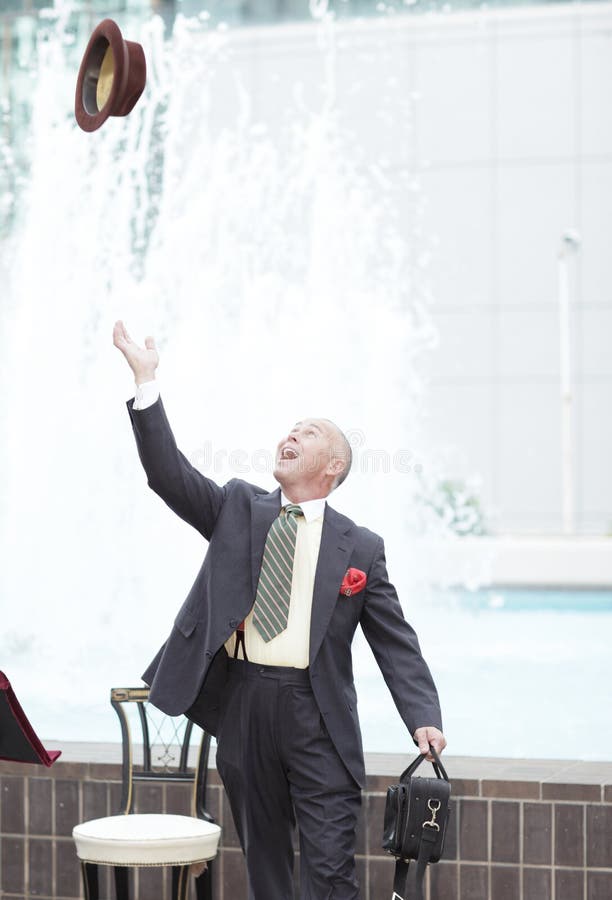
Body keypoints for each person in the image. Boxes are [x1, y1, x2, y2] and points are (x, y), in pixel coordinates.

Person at [113, 319, 447, 900]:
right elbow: (168, 476)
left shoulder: (361, 548)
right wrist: (146, 384)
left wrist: (423, 713)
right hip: (243, 705)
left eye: (309, 432)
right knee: (267, 870)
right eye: (290, 429)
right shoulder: (238, 507)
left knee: (331, 869)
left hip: (316, 714)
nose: (291, 435)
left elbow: (395, 641)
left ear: (333, 466)